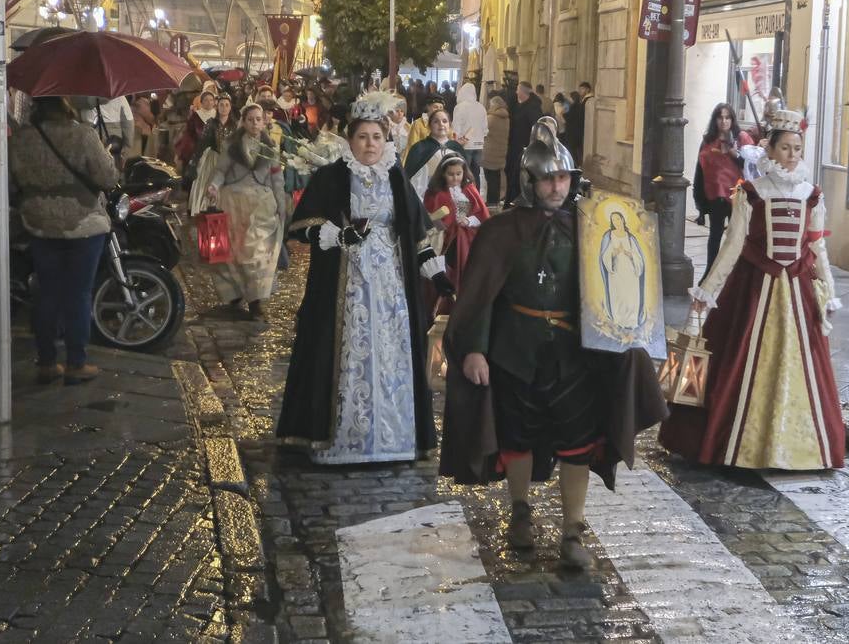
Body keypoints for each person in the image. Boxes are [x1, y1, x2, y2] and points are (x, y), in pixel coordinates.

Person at [439, 117, 668, 569]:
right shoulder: (501, 232)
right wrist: (475, 349)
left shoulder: (589, 228)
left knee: (578, 440)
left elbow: (617, 285)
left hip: (575, 355)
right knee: (517, 437)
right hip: (515, 352)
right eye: (547, 179)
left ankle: (573, 530)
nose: (556, 187)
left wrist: (629, 330)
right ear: (529, 180)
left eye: (563, 178)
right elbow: (481, 294)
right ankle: (520, 512)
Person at [659, 109, 845, 470]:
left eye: (797, 149)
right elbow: (732, 245)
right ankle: (736, 445)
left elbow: (817, 246)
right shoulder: (751, 193)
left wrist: (829, 290)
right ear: (769, 150)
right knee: (737, 360)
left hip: (798, 292)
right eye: (786, 148)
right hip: (754, 289)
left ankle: (798, 448)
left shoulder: (812, 195)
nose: (792, 155)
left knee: (804, 370)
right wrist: (706, 292)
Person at [276, 94, 454, 464]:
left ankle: (391, 439)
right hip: (344, 283)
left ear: (385, 139)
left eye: (376, 137)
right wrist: (337, 235)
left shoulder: (395, 176)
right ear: (350, 139)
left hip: (390, 284)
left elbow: (416, 233)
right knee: (345, 353)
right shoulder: (332, 176)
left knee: (391, 354)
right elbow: (302, 226)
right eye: (362, 137)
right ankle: (343, 440)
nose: (370, 144)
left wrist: (436, 275)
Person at [10, 97, 120, 384]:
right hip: (82, 225)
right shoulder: (83, 134)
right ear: (65, 105)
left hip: (40, 224)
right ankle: (75, 362)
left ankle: (46, 362)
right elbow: (108, 178)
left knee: (46, 292)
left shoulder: (22, 139)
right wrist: (110, 156)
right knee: (78, 293)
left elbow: (13, 182)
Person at [205, 104, 290, 320]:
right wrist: (214, 186)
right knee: (234, 253)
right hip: (234, 203)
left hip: (262, 205)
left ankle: (256, 301)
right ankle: (236, 293)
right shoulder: (231, 145)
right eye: (250, 119)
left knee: (258, 253)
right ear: (243, 121)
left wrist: (281, 205)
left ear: (264, 121)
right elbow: (220, 171)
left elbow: (276, 178)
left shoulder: (270, 146)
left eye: (258, 119)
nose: (254, 123)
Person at [693, 103, 756, 272]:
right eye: (720, 117)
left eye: (727, 117)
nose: (724, 121)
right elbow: (700, 170)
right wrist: (700, 203)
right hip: (716, 196)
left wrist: (734, 154)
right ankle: (710, 272)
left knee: (737, 238)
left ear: (732, 120)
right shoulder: (708, 140)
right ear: (715, 120)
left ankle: (736, 275)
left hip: (738, 196)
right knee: (715, 235)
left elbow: (752, 167)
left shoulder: (741, 138)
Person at [422, 155, 489, 305]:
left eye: (459, 174)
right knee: (446, 271)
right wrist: (440, 221)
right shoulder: (435, 193)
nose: (455, 178)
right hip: (444, 241)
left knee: (468, 270)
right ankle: (443, 305)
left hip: (468, 238)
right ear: (442, 174)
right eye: (450, 174)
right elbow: (428, 219)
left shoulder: (469, 189)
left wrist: (469, 221)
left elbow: (482, 215)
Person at [187, 94, 236, 216]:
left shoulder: (234, 125)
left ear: (230, 107)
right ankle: (208, 213)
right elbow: (202, 144)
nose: (224, 108)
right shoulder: (211, 123)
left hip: (229, 160)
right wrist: (194, 162)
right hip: (213, 159)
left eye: (227, 105)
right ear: (217, 107)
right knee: (209, 185)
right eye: (221, 105)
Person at [403, 108, 466, 199]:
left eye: (445, 121)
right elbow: (411, 178)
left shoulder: (456, 148)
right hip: (428, 196)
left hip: (454, 197)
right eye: (436, 121)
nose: (441, 124)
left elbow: (465, 176)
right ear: (429, 126)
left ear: (449, 125)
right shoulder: (419, 148)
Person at [503, 82, 543, 208]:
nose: (516, 92)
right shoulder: (520, 105)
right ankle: (510, 201)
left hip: (523, 149)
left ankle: (516, 203)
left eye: (518, 90)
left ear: (523, 92)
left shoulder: (533, 108)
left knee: (519, 177)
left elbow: (536, 129)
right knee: (511, 174)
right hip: (515, 146)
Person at [451, 82, 488, 184]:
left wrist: (455, 142)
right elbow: (485, 128)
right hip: (479, 145)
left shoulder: (460, 107)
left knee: (464, 173)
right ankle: (476, 192)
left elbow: (456, 127)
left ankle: (465, 193)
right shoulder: (481, 107)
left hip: (465, 145)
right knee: (476, 173)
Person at [481, 94, 510, 208]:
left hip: (490, 153)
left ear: (494, 105)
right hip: (501, 151)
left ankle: (491, 202)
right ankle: (495, 200)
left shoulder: (491, 118)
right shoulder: (506, 118)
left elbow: (482, 131)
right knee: (496, 177)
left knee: (490, 178)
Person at [176, 91, 216, 167]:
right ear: (201, 102)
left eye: (211, 100)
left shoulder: (217, 115)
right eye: (206, 100)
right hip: (197, 149)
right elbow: (188, 133)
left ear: (214, 102)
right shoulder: (196, 116)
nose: (209, 102)